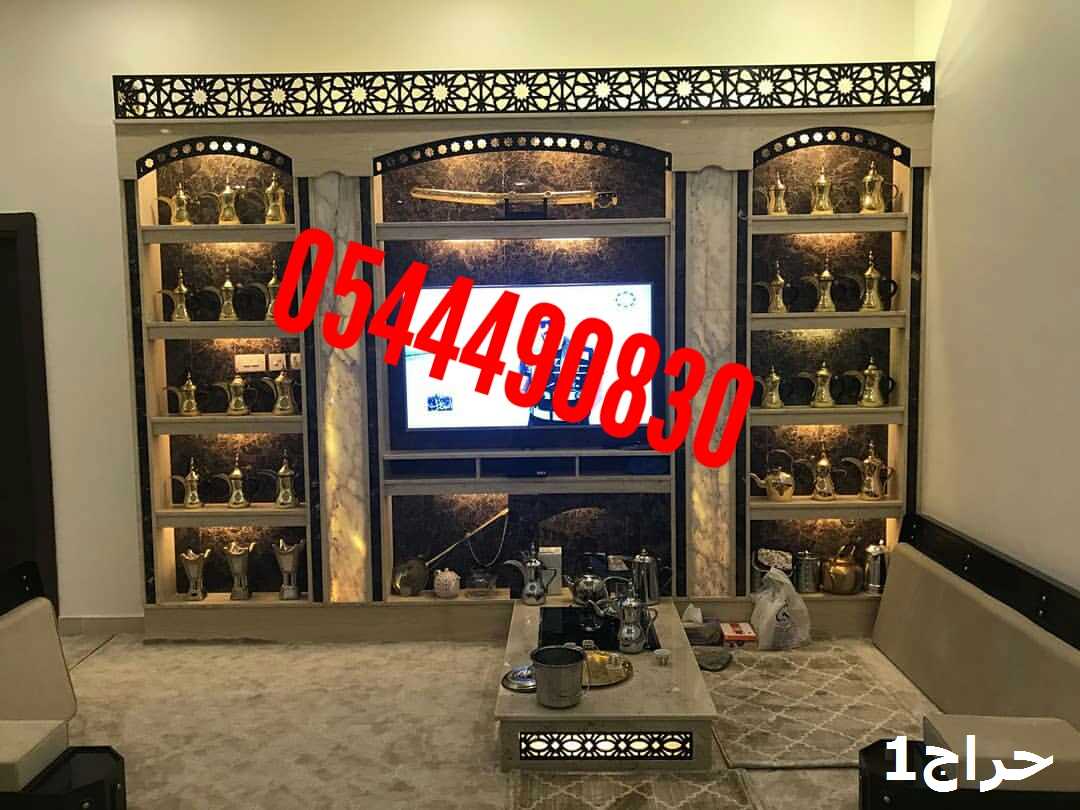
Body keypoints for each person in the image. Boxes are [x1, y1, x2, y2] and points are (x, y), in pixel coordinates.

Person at [519, 317, 592, 426]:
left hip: (573, 423)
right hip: (539, 421)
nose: (547, 329)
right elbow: (523, 390)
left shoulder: (585, 353)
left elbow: (597, 392)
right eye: (542, 325)